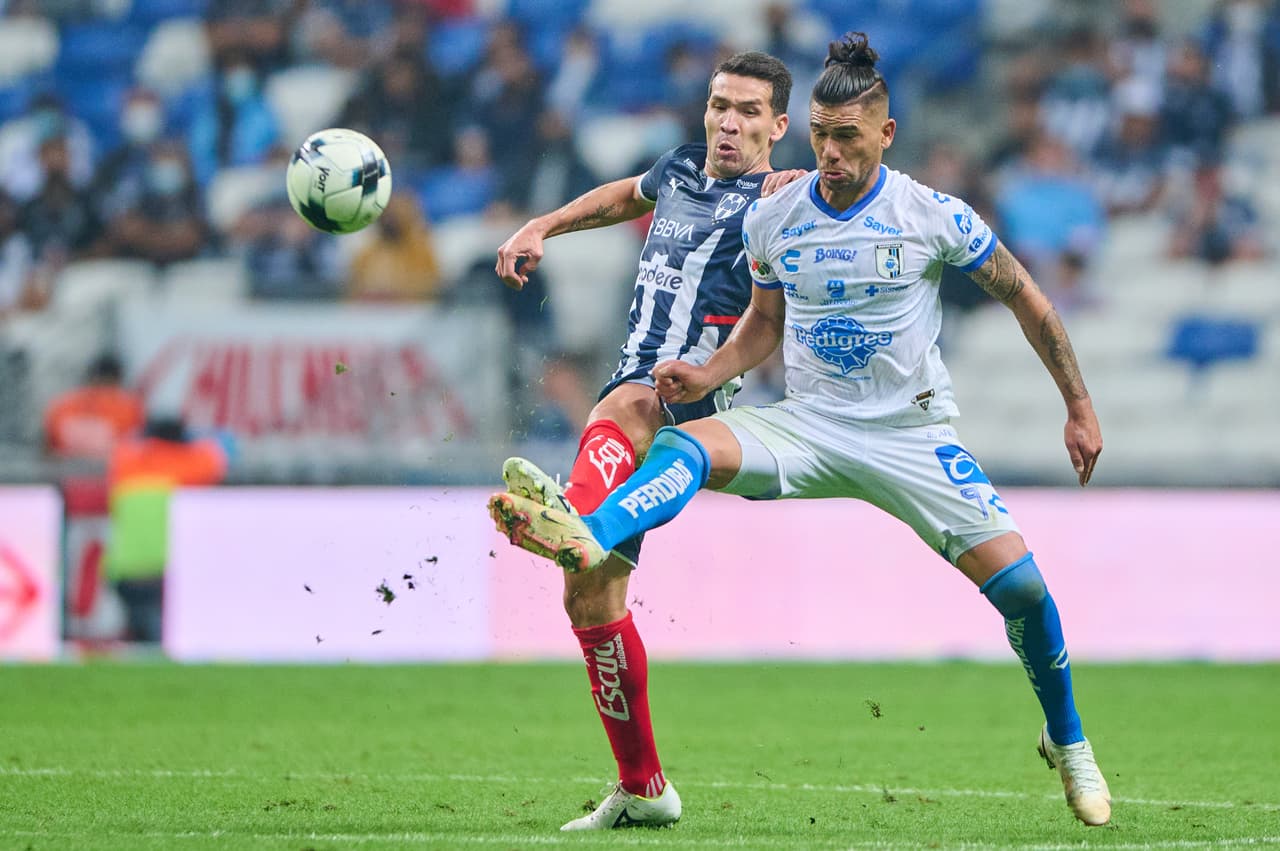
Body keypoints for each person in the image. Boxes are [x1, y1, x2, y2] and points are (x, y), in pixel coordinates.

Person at [491, 32, 1112, 828]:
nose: (830, 153)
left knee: (1023, 589)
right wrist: (710, 377)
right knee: (691, 443)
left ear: (885, 135)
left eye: (846, 137)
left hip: (910, 434)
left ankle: (1069, 739)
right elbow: (763, 325)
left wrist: (1079, 404)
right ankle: (587, 531)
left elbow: (1026, 295)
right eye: (822, 135)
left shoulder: (930, 213)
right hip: (809, 423)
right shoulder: (776, 214)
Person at [491, 49, 803, 831]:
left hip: (685, 400)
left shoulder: (780, 198)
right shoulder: (683, 167)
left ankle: (578, 522)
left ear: (777, 126)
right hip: (633, 383)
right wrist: (546, 224)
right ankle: (644, 787)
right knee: (589, 594)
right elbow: (623, 197)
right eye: (718, 104)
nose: (727, 122)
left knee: (626, 407)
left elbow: (774, 317)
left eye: (746, 112)